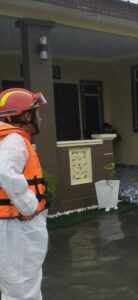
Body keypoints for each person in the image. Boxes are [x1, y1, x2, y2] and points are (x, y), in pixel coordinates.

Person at [0, 88, 50, 300]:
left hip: (11, 226)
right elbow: (4, 170)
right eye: (36, 112)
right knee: (22, 288)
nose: (39, 117)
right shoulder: (14, 140)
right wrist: (29, 205)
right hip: (16, 228)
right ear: (25, 116)